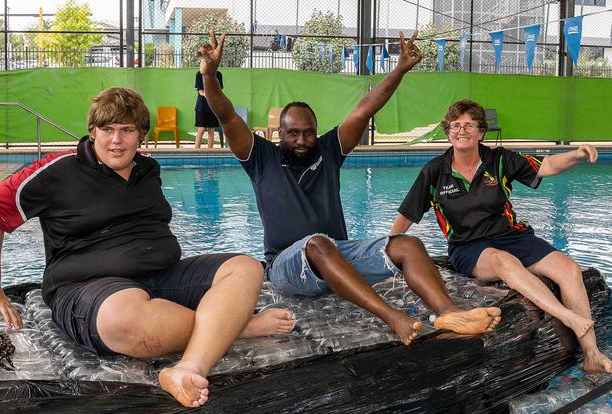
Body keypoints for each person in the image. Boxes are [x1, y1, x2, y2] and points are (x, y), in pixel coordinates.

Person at [0, 87, 294, 409]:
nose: (116, 140)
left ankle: (188, 367)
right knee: (123, 320)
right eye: (107, 130)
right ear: (92, 131)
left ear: (141, 134)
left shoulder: (147, 169)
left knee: (245, 268)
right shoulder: (58, 172)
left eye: (126, 130)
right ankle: (237, 327)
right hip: (87, 286)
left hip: (161, 275)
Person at [197, 31, 501, 345]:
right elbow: (226, 115)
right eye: (293, 134)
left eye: (309, 133)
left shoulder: (328, 153)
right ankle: (392, 316)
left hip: (338, 258)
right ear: (280, 133)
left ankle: (449, 311)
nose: (302, 140)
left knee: (407, 244)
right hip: (286, 266)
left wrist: (400, 69)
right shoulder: (261, 158)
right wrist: (208, 76)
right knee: (316, 243)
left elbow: (364, 109)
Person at [392, 98, 612, 374]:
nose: (462, 131)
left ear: (481, 132)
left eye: (469, 125)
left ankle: (592, 355)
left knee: (568, 269)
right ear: (448, 132)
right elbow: (408, 215)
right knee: (503, 261)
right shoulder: (435, 171)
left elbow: (546, 166)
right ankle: (568, 317)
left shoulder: (499, 160)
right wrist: (388, 249)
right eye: (455, 126)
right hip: (468, 247)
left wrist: (577, 155)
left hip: (511, 236)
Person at [194, 70, 223, 148]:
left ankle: (210, 151)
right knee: (201, 129)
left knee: (211, 130)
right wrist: (210, 95)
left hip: (213, 106)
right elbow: (201, 92)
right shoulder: (199, 74)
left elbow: (219, 90)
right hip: (202, 106)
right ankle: (196, 151)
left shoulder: (218, 74)